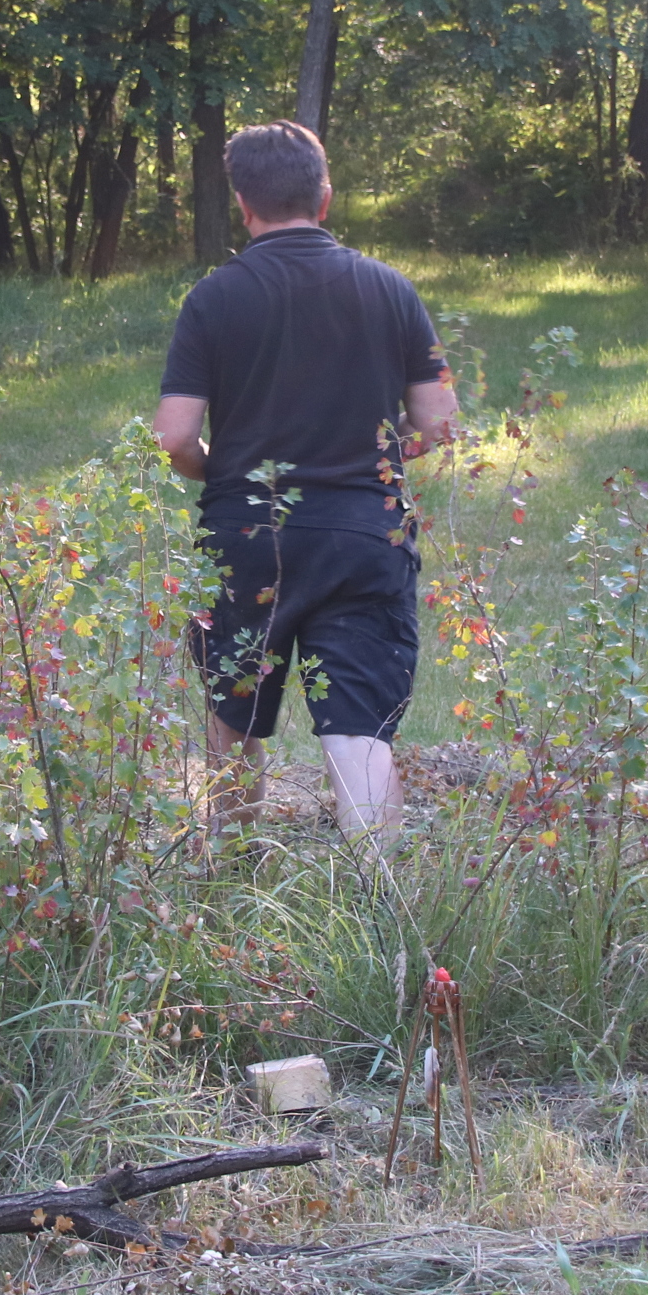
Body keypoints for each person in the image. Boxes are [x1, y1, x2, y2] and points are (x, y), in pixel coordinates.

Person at [152, 121, 456, 839]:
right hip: (364, 534)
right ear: (325, 197)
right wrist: (368, 457)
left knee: (234, 718)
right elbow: (440, 423)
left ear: (242, 204)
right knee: (358, 730)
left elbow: (173, 437)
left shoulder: (213, 298)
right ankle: (379, 895)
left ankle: (232, 869)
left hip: (247, 536)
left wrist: (227, 474)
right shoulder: (390, 288)